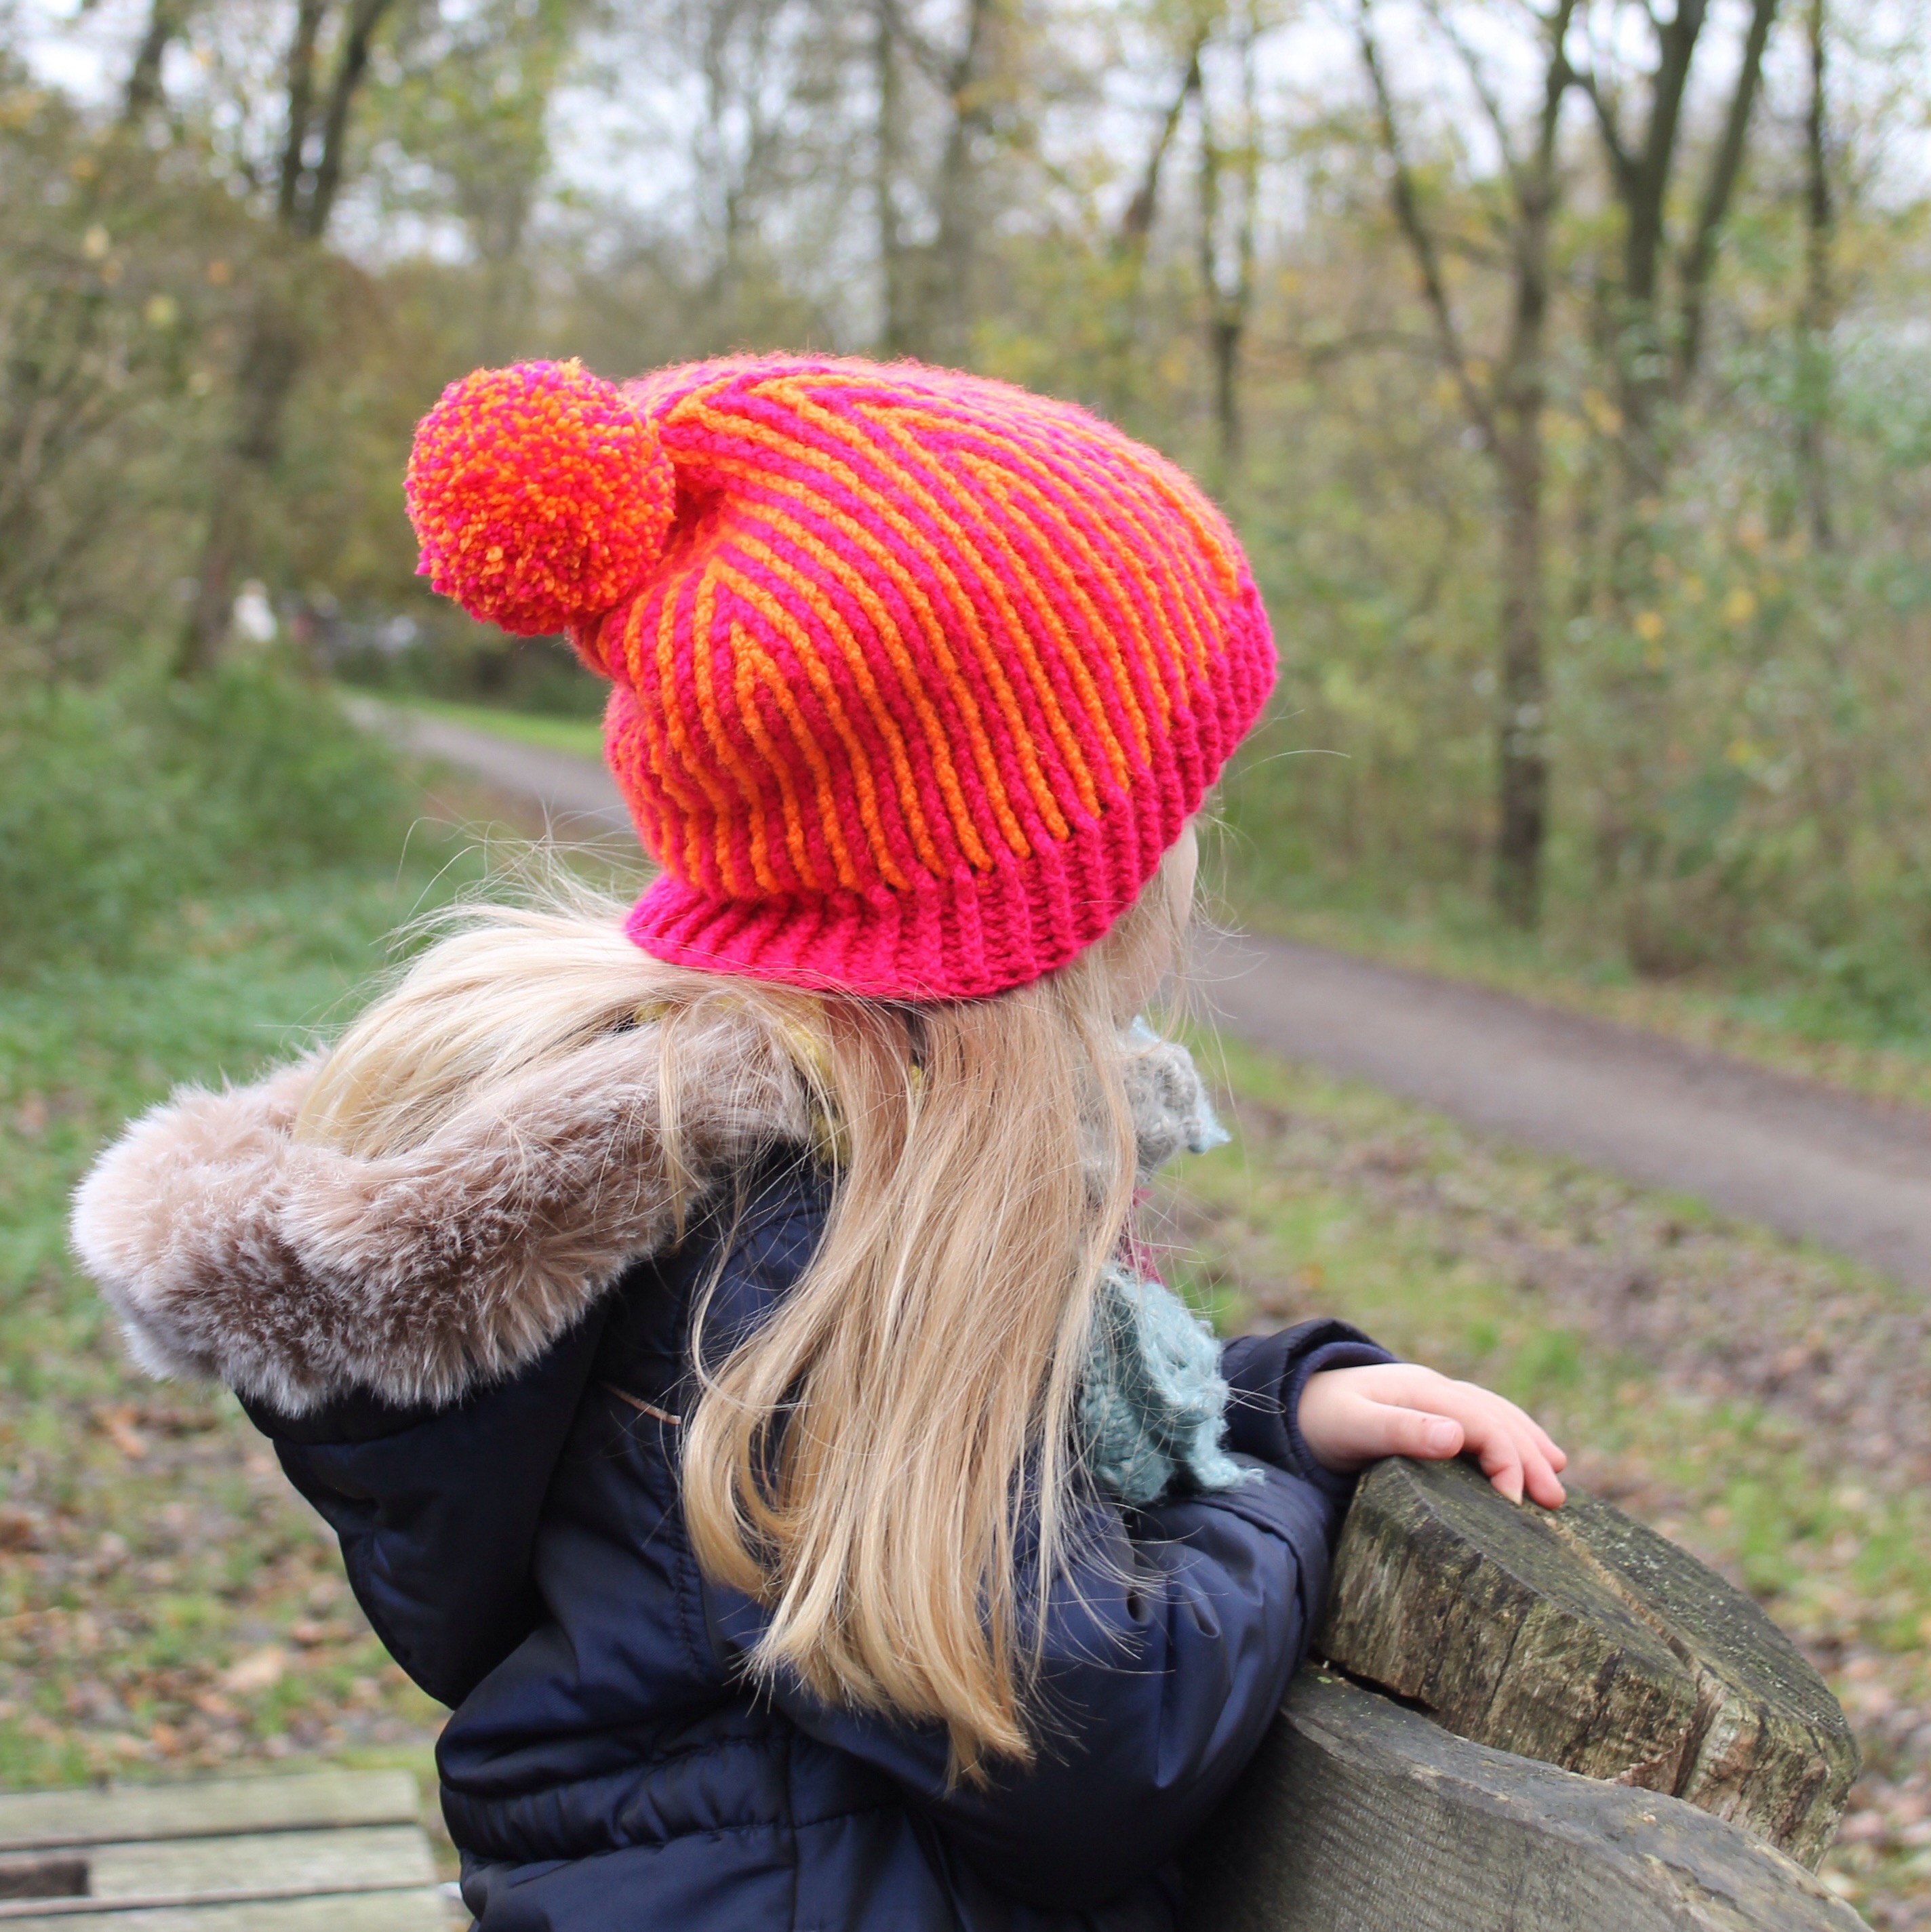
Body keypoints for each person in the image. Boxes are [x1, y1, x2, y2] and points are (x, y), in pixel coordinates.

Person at [73, 356, 1566, 1931]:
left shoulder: (802, 1190)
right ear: (1015, 873)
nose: (1191, 843)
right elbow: (1080, 1725)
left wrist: (1254, 1404)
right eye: (1169, 792)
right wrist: (1281, 1496)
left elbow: (1003, 1501)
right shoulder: (792, 1252)